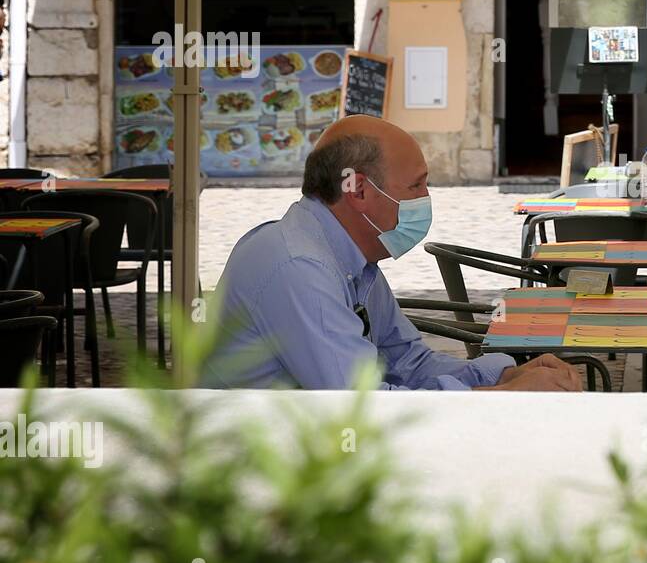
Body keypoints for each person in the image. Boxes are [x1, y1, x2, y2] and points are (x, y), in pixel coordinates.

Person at [207, 115, 580, 392]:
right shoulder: (300, 268)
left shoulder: (353, 259)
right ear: (359, 192)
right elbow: (365, 410)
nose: (426, 199)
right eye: (416, 186)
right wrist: (498, 396)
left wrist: (506, 373)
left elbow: (407, 361)